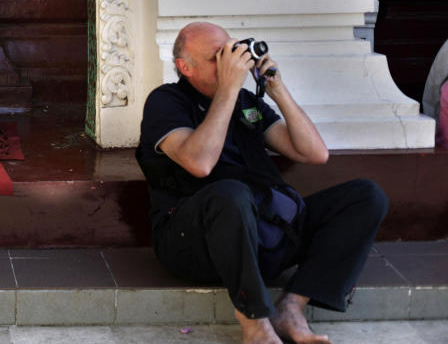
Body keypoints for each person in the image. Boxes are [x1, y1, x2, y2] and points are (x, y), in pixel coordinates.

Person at [136, 22, 388, 344]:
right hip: (195, 242)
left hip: (264, 230)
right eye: (219, 56)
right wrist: (227, 90)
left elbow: (314, 153)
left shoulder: (246, 102)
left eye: (232, 49)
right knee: (231, 192)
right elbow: (199, 164)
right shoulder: (165, 101)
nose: (232, 61)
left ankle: (292, 308)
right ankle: (254, 323)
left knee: (366, 196)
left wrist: (277, 89)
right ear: (186, 67)